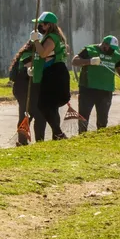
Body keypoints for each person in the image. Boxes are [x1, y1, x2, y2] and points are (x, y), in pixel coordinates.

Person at [71, 35, 120, 133]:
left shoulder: (115, 55)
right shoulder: (90, 50)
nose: (112, 51)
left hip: (106, 90)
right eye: (111, 48)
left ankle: (100, 136)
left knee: (103, 118)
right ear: (105, 44)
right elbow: (74, 61)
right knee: (84, 116)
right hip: (88, 89)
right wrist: (90, 61)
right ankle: (82, 136)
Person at [28, 11, 70, 141]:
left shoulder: (52, 37)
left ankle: (58, 133)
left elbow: (43, 54)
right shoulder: (54, 37)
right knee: (50, 106)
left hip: (54, 74)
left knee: (44, 105)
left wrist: (36, 41)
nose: (39, 26)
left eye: (41, 24)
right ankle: (57, 135)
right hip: (53, 72)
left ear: (48, 25)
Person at [8, 43, 35, 145]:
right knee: (26, 114)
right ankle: (22, 140)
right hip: (24, 87)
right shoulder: (29, 55)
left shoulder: (24, 53)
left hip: (20, 87)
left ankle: (22, 140)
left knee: (25, 113)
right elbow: (28, 65)